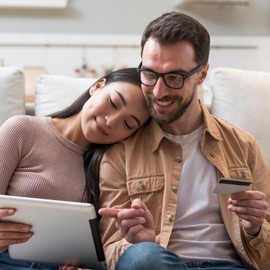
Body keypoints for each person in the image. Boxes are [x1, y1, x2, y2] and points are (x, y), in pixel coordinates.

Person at [94, 12, 270, 270]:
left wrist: (254, 229)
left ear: (202, 74)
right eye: (149, 74)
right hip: (158, 264)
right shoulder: (120, 152)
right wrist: (139, 242)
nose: (158, 91)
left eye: (174, 77)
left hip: (228, 266)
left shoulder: (243, 146)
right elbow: (110, 251)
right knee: (144, 258)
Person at [0, 68, 150, 270]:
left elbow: (103, 245)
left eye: (127, 123)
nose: (111, 122)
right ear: (97, 87)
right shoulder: (22, 130)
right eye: (113, 103)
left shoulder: (112, 165)